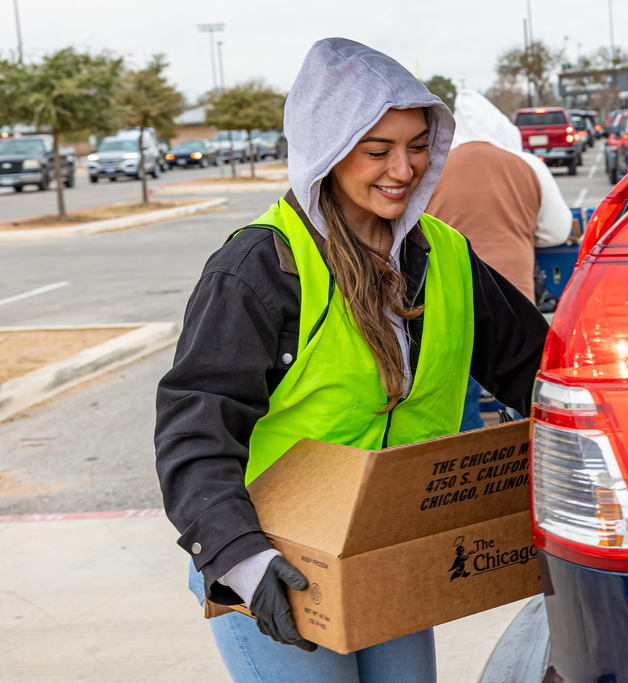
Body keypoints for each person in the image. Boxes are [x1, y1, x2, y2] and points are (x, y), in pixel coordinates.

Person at [154, 38, 547, 683]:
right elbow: (194, 427)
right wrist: (241, 560)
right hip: (277, 555)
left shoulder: (445, 255)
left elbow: (536, 369)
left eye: (418, 145)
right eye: (377, 150)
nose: (404, 169)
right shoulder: (260, 268)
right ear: (328, 151)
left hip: (384, 545)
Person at [426, 90, 571, 431]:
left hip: (446, 299)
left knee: (458, 398)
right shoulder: (526, 164)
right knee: (523, 395)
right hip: (513, 299)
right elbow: (557, 231)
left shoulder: (433, 166)